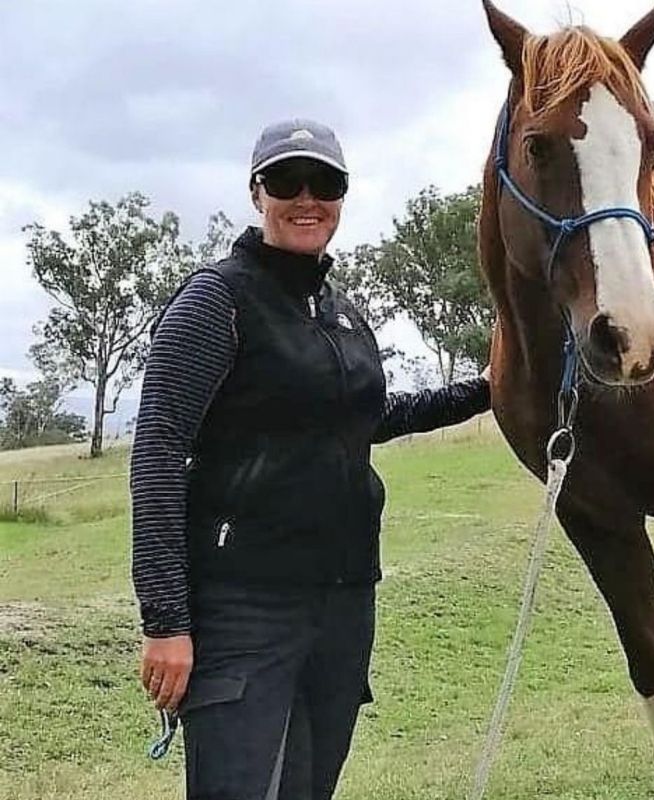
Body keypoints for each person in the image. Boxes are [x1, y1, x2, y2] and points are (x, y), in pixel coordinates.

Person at [130, 118, 491, 800]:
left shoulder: (342, 312)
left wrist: (485, 392)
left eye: (324, 182)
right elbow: (158, 450)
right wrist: (166, 621)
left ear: (342, 195)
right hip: (245, 607)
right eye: (285, 180)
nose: (306, 197)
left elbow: (366, 420)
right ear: (256, 192)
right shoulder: (218, 299)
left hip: (344, 604)